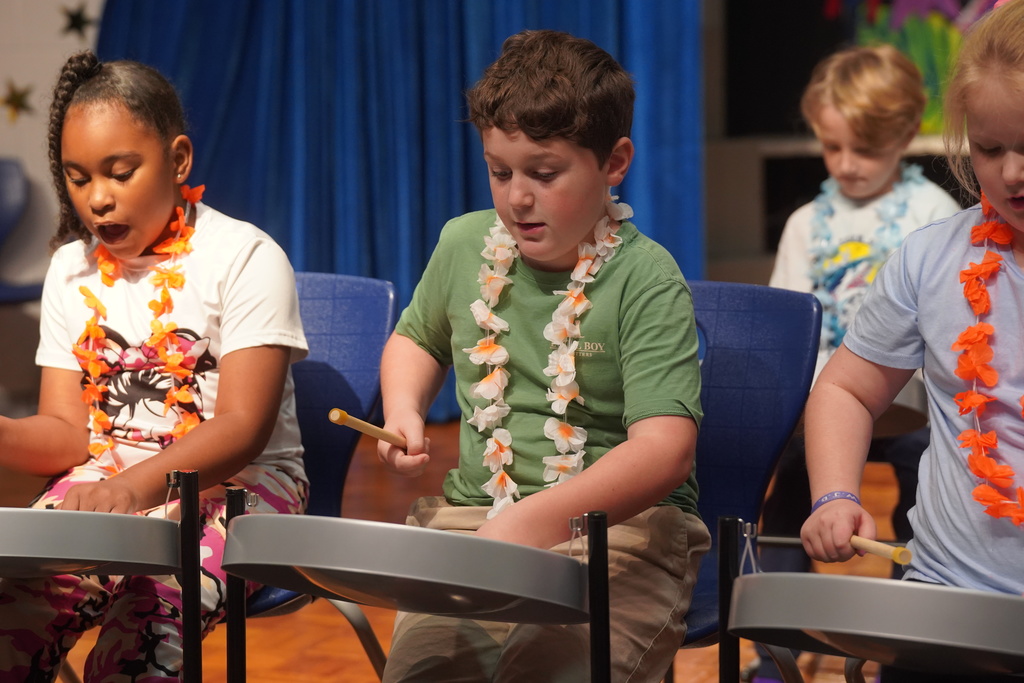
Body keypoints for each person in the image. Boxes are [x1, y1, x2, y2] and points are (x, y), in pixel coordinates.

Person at [375, 29, 710, 683]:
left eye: (543, 173)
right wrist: (403, 406)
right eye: (500, 171)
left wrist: (534, 521)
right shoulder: (464, 243)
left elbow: (666, 448)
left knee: (545, 670)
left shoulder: (646, 277)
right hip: (474, 518)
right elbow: (415, 338)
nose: (516, 197)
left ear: (615, 162)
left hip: (626, 536)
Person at [0, 51, 309, 681]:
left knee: (144, 632)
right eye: (79, 178)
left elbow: (244, 427)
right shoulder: (70, 269)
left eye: (121, 172)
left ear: (178, 160)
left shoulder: (245, 257)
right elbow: (66, 432)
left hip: (241, 485)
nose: (98, 199)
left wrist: (135, 490)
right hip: (106, 476)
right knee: (12, 611)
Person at [801, 2, 1024, 681]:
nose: (1013, 173)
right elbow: (843, 388)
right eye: (990, 149)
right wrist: (835, 493)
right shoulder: (930, 260)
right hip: (948, 608)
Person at [753, 44, 961, 683]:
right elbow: (783, 322)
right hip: (820, 403)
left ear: (904, 137)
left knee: (923, 506)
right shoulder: (805, 223)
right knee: (782, 512)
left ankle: (902, 637)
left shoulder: (934, 215)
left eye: (865, 151)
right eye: (832, 147)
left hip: (913, 404)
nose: (846, 165)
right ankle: (774, 645)